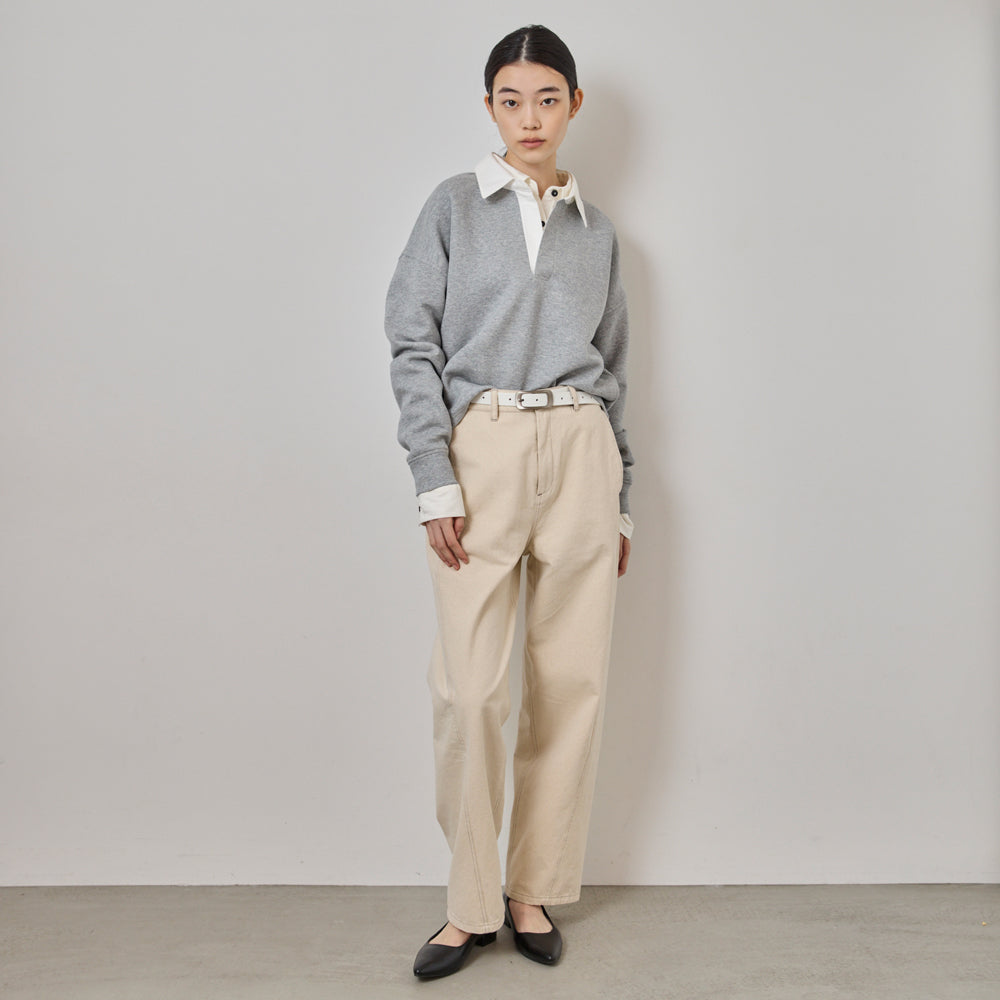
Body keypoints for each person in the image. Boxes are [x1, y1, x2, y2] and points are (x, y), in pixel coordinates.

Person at [384, 24, 635, 981]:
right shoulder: (454, 206)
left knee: (569, 683)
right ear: (489, 106)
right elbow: (412, 340)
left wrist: (620, 498)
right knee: (471, 690)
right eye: (511, 99)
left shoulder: (598, 232)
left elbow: (616, 368)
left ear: (574, 105)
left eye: (547, 99)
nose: (530, 118)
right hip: (481, 446)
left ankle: (532, 890)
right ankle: (469, 903)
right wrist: (432, 476)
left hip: (582, 450)